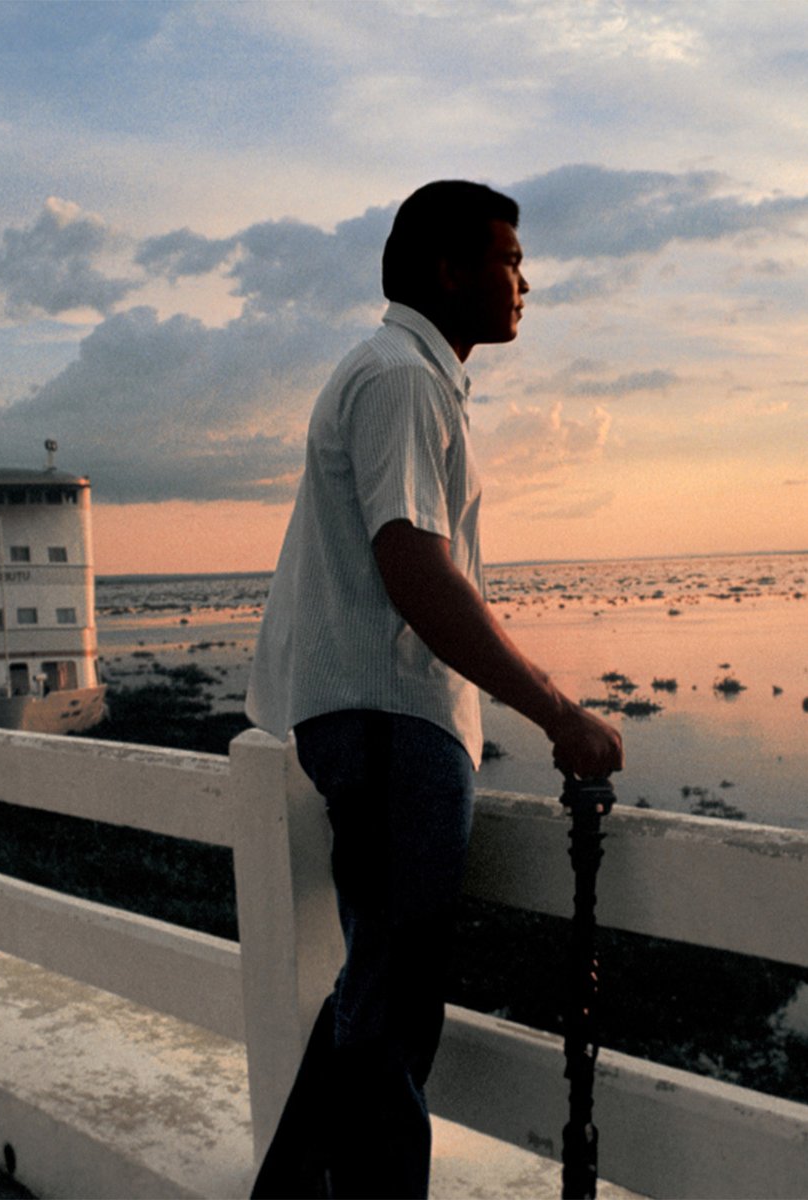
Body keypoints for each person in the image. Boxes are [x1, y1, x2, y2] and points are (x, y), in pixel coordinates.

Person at [245, 180, 623, 1199]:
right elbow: (413, 567)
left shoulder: (403, 375)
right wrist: (556, 709)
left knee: (380, 993)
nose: (524, 282)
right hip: (391, 723)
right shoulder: (401, 378)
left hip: (377, 718)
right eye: (507, 260)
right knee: (393, 1005)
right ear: (447, 270)